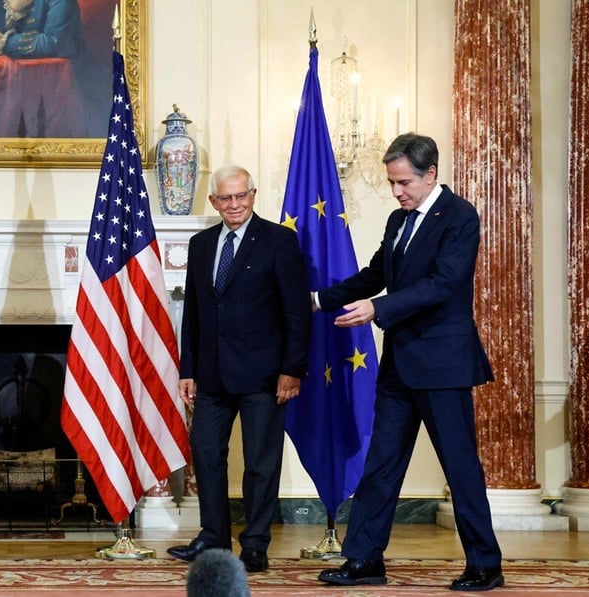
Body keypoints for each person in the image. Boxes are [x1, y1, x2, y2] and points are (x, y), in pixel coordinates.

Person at [315, 133, 503, 592]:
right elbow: (375, 274)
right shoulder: (398, 220)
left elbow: (443, 283)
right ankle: (364, 559)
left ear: (430, 173)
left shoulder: (459, 216)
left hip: (443, 364)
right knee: (381, 463)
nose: (397, 191)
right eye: (391, 182)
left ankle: (485, 564)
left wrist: (377, 309)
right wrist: (318, 300)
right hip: (400, 364)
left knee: (459, 466)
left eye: (404, 182)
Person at [167, 165, 313, 573]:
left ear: (252, 195)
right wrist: (188, 368)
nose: (234, 204)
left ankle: (255, 545)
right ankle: (213, 538)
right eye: (226, 198)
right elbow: (194, 313)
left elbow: (297, 312)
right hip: (211, 374)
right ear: (213, 201)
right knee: (206, 454)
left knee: (260, 463)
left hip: (265, 375)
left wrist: (293, 369)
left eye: (241, 196)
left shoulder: (279, 241)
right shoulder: (201, 245)